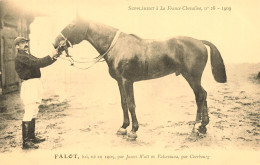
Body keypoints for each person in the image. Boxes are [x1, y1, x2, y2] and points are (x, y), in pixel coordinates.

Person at [14, 36, 59, 149]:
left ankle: (32, 137)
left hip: (35, 84)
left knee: (34, 110)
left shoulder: (27, 55)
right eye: (22, 43)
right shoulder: (20, 57)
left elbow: (40, 62)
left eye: (26, 42)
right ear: (17, 46)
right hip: (29, 85)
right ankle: (26, 142)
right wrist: (51, 55)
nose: (25, 44)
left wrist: (55, 57)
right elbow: (38, 63)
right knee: (29, 110)